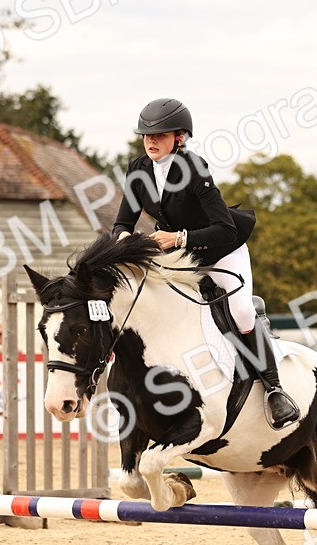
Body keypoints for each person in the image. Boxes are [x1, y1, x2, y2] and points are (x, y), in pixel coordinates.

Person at [111, 98, 299, 428]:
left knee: (241, 311)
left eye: (160, 135)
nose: (151, 141)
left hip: (222, 250)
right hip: (181, 257)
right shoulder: (138, 169)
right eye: (146, 136)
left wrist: (178, 238)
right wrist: (122, 240)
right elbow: (123, 222)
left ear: (179, 137)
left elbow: (224, 228)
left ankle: (274, 390)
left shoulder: (194, 169)